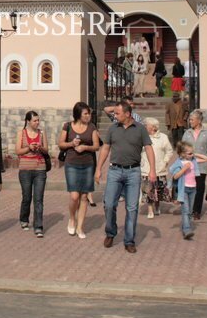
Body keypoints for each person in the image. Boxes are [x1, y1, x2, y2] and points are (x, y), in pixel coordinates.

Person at [96, 101, 157, 253]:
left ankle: (129, 240)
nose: (114, 116)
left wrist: (152, 170)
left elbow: (149, 148)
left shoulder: (140, 129)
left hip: (133, 172)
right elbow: (105, 149)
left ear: (127, 114)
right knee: (109, 204)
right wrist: (98, 169)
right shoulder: (112, 128)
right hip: (114, 171)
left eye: (117, 113)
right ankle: (111, 232)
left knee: (132, 207)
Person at [58, 102, 101, 239]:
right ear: (78, 114)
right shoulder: (68, 126)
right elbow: (61, 144)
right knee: (74, 196)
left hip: (88, 164)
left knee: (84, 196)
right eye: (85, 114)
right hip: (71, 163)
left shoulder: (92, 127)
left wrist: (85, 148)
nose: (88, 116)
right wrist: (72, 144)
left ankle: (80, 227)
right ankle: (72, 218)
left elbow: (96, 146)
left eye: (89, 113)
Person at [16, 110, 48, 238]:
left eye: (38, 120)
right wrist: (29, 147)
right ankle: (24, 219)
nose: (37, 122)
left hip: (40, 168)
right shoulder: (21, 133)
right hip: (25, 169)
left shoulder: (42, 133)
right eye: (35, 120)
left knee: (38, 198)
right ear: (28, 121)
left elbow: (47, 150)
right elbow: (18, 151)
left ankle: (38, 226)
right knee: (27, 197)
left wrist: (40, 147)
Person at [182, 110, 207, 220]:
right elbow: (182, 148)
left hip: (202, 165)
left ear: (199, 120)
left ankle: (196, 211)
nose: (190, 121)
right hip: (189, 165)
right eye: (189, 119)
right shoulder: (187, 133)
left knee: (199, 188)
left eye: (192, 119)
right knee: (189, 187)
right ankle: (189, 209)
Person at [169, 140, 205, 240]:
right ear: (182, 154)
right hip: (183, 189)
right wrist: (184, 169)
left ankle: (186, 227)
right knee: (185, 210)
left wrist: (194, 154)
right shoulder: (179, 163)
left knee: (189, 211)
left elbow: (206, 159)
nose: (192, 154)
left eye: (192, 152)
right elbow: (175, 176)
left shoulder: (193, 160)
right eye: (189, 153)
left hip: (193, 188)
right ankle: (187, 230)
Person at [140, 117, 173, 219]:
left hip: (160, 169)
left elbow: (169, 151)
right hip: (146, 169)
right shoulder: (142, 137)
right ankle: (150, 210)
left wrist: (165, 161)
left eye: (146, 125)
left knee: (158, 191)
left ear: (153, 127)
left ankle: (157, 206)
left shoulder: (163, 137)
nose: (144, 126)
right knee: (148, 190)